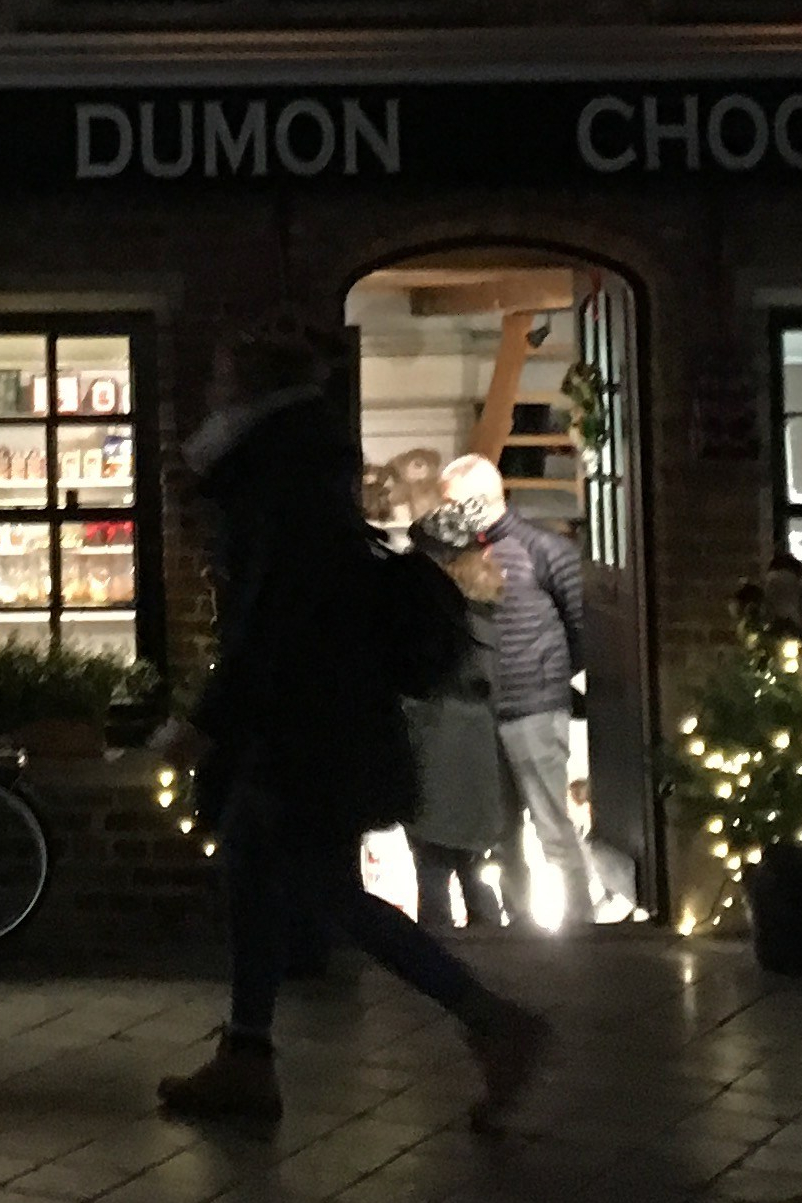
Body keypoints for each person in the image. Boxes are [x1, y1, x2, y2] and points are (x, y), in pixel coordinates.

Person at [154, 322, 548, 1130]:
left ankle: (490, 1020)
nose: (208, 391)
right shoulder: (292, 458)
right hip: (306, 714)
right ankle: (249, 1054)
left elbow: (275, 611)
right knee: (260, 869)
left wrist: (208, 720)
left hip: (303, 720)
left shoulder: (281, 470)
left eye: (221, 373)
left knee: (311, 883)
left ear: (249, 386)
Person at [439, 456, 595, 932]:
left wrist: (550, 674)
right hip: (488, 708)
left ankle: (578, 920)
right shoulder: (464, 553)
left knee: (551, 823)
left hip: (534, 704)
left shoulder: (544, 549)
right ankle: (521, 920)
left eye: (452, 502)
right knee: (502, 829)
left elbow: (579, 627)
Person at [402, 507, 511, 931]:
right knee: (472, 866)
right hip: (472, 742)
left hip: (436, 735)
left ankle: (441, 957)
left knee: (431, 867)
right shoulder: (484, 607)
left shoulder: (434, 613)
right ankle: (493, 956)